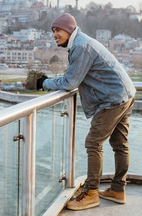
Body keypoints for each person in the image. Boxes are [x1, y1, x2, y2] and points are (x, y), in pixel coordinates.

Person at [36, 13, 136, 211]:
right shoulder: (82, 42)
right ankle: (117, 190)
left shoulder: (81, 47)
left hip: (113, 99)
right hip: (125, 93)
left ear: (69, 29)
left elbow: (70, 82)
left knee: (93, 142)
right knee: (119, 144)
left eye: (58, 30)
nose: (55, 35)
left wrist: (43, 83)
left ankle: (91, 193)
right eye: (53, 31)